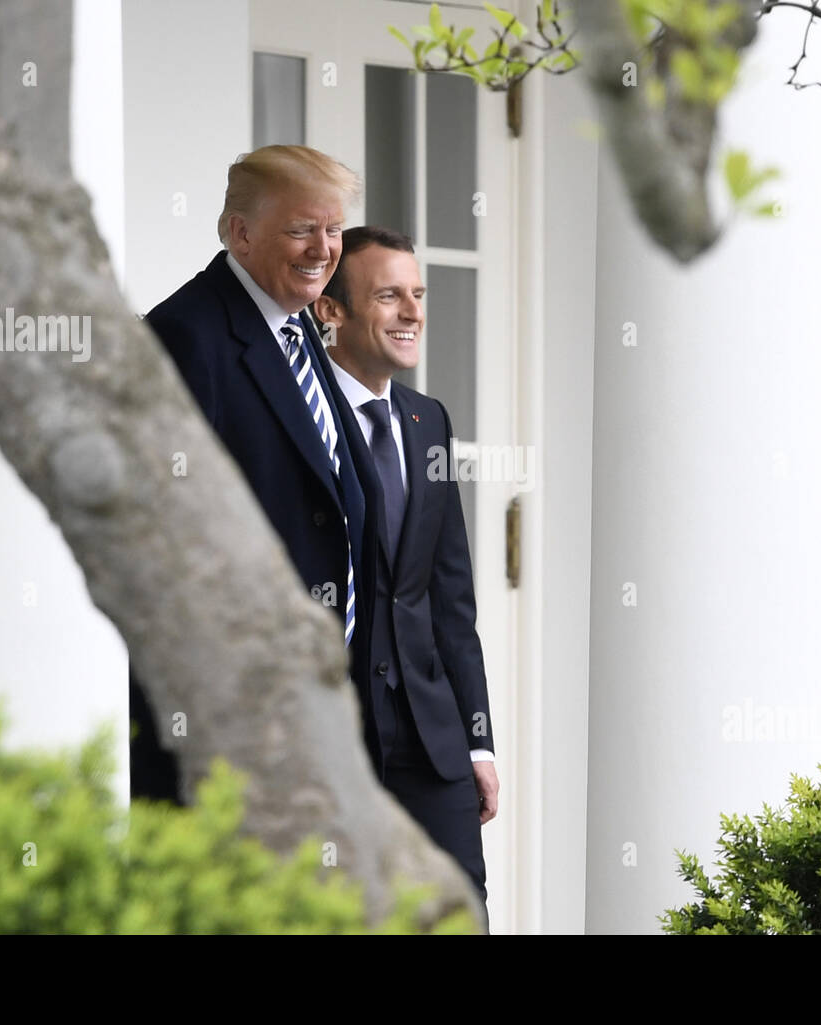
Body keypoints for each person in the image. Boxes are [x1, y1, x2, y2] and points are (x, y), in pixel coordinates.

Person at [129, 145, 385, 801]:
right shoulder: (187, 335)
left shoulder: (298, 333)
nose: (323, 249)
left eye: (333, 230)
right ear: (241, 232)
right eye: (301, 228)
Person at [313, 226, 498, 909]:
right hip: (339, 740)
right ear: (331, 310)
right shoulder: (302, 416)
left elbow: (451, 596)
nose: (413, 311)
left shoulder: (429, 420)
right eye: (389, 295)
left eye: (417, 294)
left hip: (433, 742)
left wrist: (479, 740)